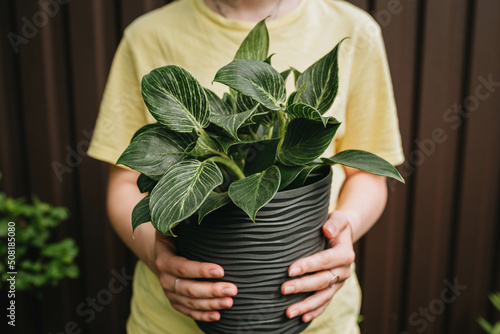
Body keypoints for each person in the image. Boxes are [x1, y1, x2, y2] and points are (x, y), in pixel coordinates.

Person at [87, 0, 404, 333]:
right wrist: (158, 257)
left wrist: (343, 228)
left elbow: (367, 175)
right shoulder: (146, 36)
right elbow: (125, 181)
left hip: (318, 320)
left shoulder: (355, 29)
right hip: (168, 322)